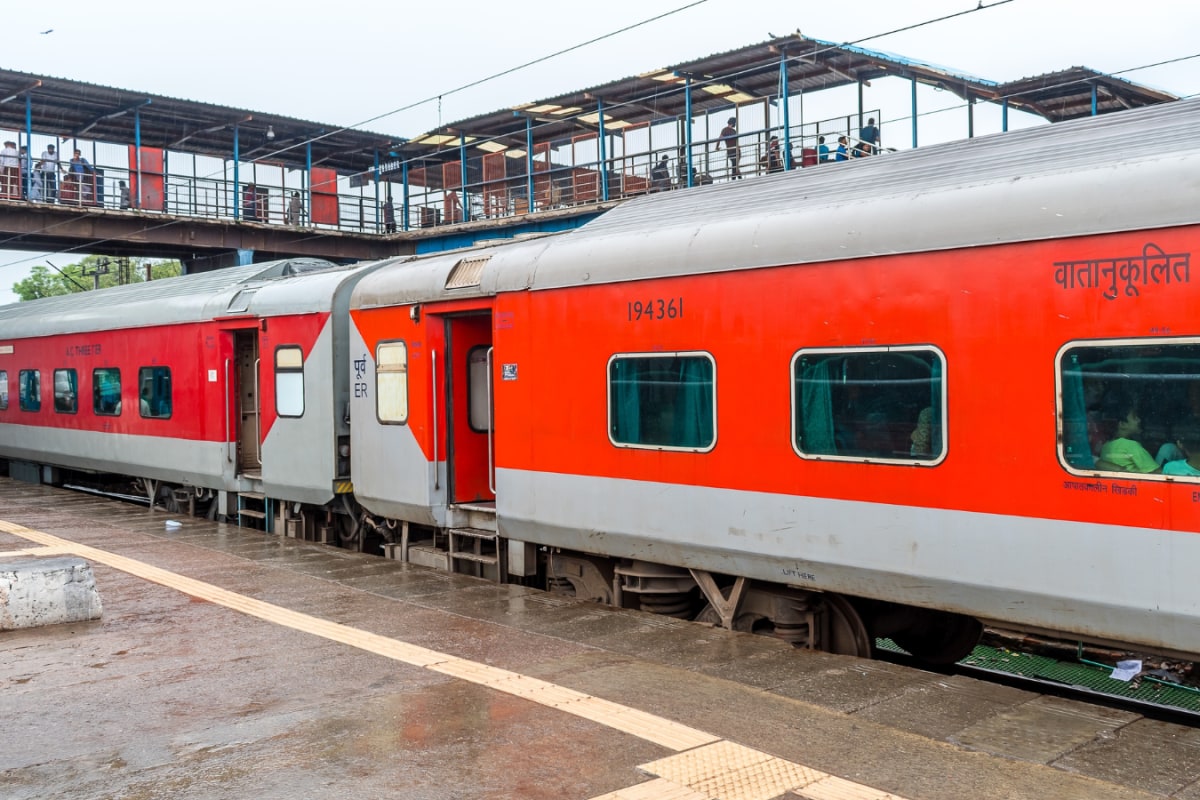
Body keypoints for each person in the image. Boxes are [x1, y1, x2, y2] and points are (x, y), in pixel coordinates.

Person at [1097, 396, 1161, 473]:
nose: (1139, 420)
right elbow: (1157, 473)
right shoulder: (1131, 446)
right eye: (1134, 417)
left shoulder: (1106, 446)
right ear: (1123, 424)